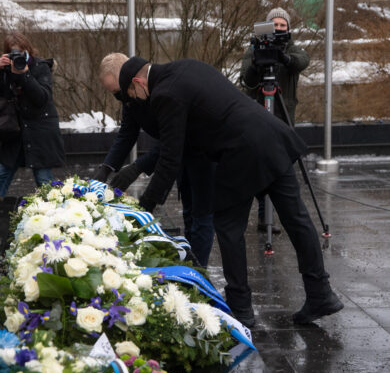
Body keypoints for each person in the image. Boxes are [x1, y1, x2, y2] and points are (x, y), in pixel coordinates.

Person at [109, 54, 342, 327]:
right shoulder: (186, 66)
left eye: (132, 94)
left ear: (138, 81)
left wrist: (143, 209)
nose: (135, 100)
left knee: (228, 227)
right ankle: (320, 293)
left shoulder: (164, 94)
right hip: (271, 136)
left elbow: (170, 159)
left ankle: (240, 307)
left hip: (242, 151)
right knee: (297, 220)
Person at [94, 53, 216, 267]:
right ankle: (191, 263)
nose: (120, 98)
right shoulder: (131, 95)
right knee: (189, 212)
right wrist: (106, 169)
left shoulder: (161, 91)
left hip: (202, 153)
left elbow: (173, 140)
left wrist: (138, 171)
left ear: (131, 80)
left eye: (118, 93)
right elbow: (127, 133)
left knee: (202, 216)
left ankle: (200, 271)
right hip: (182, 155)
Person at [240, 8, 310, 233]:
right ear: (267, 26)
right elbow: (247, 81)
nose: (279, 28)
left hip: (283, 115)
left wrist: (284, 58)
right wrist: (257, 63)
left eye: (283, 25)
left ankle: (280, 215)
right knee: (258, 166)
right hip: (259, 114)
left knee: (282, 167)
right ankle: (261, 216)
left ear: (288, 28)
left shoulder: (292, 48)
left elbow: (302, 61)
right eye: (275, 24)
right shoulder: (254, 49)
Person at [0, 32, 65, 198]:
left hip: (39, 132)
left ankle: (53, 213)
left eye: (22, 53)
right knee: (2, 173)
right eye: (14, 54)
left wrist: (24, 74)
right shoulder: (4, 70)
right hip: (15, 132)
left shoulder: (41, 67)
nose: (19, 58)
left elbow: (42, 98)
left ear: (28, 50)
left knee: (43, 176)